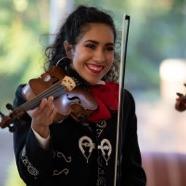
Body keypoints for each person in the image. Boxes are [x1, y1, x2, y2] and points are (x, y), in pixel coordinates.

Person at [13, 5, 146, 186]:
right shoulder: (34, 97)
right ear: (69, 50)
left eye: (108, 48)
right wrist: (39, 130)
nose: (100, 57)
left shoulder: (122, 100)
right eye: (90, 46)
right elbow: (31, 176)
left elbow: (134, 173)